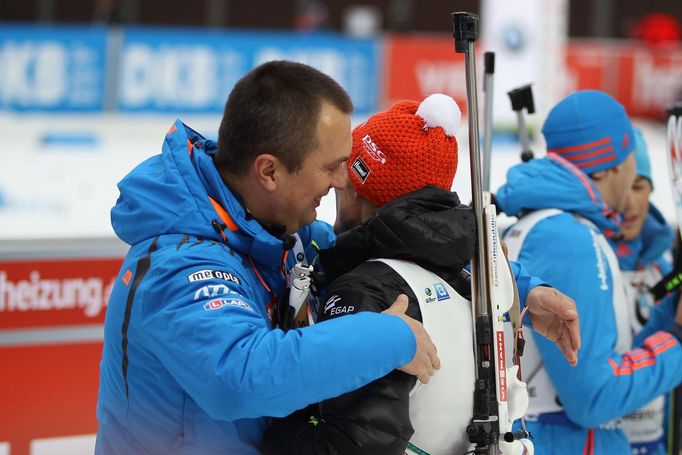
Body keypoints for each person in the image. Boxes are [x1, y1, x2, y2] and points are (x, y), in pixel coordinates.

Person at [95, 60, 442, 455]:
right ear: (270, 172)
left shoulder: (281, 232)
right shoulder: (176, 267)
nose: (343, 181)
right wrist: (390, 337)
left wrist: (511, 280)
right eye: (330, 167)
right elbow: (243, 377)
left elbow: (383, 250)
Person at [263, 94, 581, 455]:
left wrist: (273, 426)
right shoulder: (478, 276)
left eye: (347, 174)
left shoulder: (367, 289)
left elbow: (353, 447)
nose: (335, 183)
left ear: (363, 189)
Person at [496, 90, 682, 454]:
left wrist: (668, 319)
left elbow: (602, 359)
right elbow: (592, 398)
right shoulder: (568, 237)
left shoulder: (547, 224)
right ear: (616, 163)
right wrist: (678, 339)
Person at [612, 129, 678, 454]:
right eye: (623, 187)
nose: (629, 202)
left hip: (654, 442)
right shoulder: (591, 259)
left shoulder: (666, 266)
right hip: (603, 439)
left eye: (639, 187)